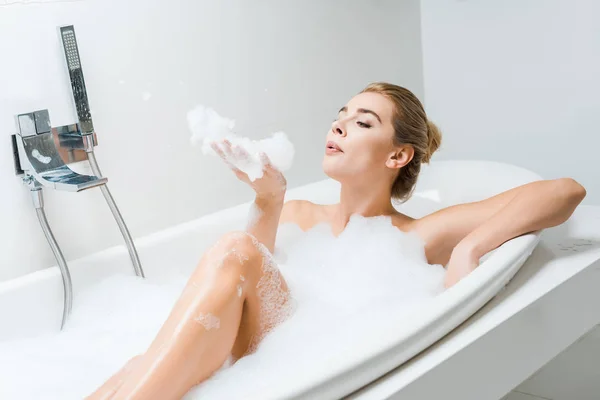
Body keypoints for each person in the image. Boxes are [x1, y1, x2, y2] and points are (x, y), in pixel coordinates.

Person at [87, 82, 586, 399]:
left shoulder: (415, 234)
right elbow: (234, 304)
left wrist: (470, 248)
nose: (340, 123)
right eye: (341, 113)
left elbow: (563, 191)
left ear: (398, 157)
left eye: (363, 122)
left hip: (290, 359)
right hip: (247, 361)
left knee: (233, 251)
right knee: (134, 367)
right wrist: (269, 199)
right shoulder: (299, 213)